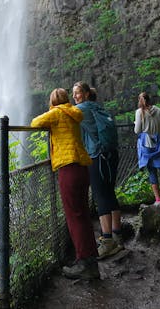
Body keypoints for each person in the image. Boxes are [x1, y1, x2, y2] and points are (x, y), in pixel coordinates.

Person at [31, 88, 100, 280]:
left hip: (68, 168)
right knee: (83, 214)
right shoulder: (74, 112)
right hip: (81, 167)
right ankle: (90, 260)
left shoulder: (56, 113)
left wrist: (52, 110)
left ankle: (85, 262)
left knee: (74, 216)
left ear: (53, 102)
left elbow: (35, 123)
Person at [72, 81, 123, 259]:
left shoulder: (82, 108)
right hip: (110, 154)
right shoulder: (95, 107)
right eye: (73, 93)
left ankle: (107, 241)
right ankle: (117, 235)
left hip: (98, 156)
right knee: (109, 193)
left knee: (100, 196)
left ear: (86, 94)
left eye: (77, 93)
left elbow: (63, 113)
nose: (74, 97)